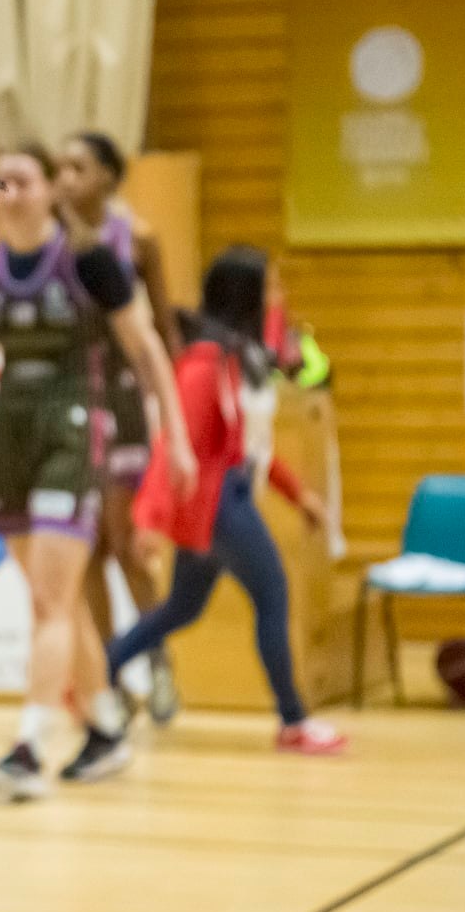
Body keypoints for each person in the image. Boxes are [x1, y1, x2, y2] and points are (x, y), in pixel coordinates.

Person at [0, 146, 194, 803]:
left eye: (22, 180)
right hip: (12, 435)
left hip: (76, 429)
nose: (9, 193)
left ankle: (32, 746)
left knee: (51, 603)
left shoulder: (91, 260)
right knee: (49, 598)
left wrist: (176, 437)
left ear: (51, 191)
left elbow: (146, 347)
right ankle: (108, 730)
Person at [101, 246, 347, 757]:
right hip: (219, 504)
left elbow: (252, 448)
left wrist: (298, 493)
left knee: (181, 609)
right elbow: (176, 443)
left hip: (227, 495)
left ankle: (96, 669)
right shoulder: (204, 362)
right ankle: (293, 721)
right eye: (271, 287)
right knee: (273, 595)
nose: (280, 296)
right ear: (247, 295)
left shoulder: (244, 356)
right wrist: (147, 518)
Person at [55, 131, 183, 724]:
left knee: (127, 544)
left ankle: (157, 663)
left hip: (125, 404)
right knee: (85, 554)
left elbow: (164, 330)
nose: (66, 179)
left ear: (109, 175)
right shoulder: (45, 241)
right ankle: (110, 675)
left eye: (78, 167)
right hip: (70, 403)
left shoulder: (139, 239)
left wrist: (175, 416)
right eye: (60, 168)